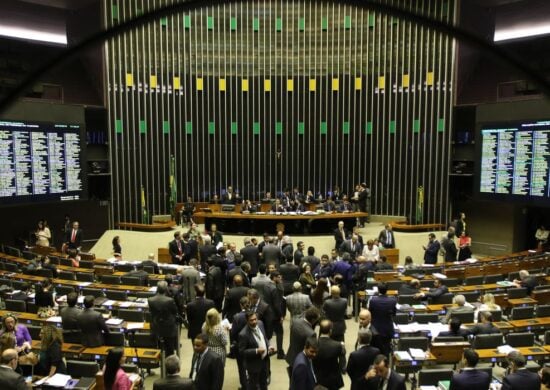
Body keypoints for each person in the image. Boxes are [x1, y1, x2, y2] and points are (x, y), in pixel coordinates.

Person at [238, 311, 273, 390]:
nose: (254, 321)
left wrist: (269, 346)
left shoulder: (260, 324)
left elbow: (264, 337)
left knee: (264, 384)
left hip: (264, 361)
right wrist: (256, 351)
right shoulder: (243, 334)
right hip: (254, 365)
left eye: (255, 319)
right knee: (253, 386)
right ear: (247, 321)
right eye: (251, 320)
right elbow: (242, 352)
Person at [148, 281, 179, 356]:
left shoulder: (150, 300)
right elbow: (175, 312)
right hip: (169, 328)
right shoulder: (170, 300)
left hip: (156, 327)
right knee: (169, 350)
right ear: (166, 289)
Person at [286, 307, 321, 373]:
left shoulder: (295, 321)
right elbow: (312, 351)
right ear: (313, 320)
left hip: (291, 356)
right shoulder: (311, 333)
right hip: (302, 362)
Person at [313, 320, 346, 390]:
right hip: (332, 381)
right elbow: (342, 357)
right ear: (330, 330)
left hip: (318, 378)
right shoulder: (337, 345)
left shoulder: (313, 344)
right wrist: (342, 346)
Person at [368, 282, 396, 356]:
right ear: (387, 290)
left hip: (375, 328)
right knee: (386, 349)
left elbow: (370, 313)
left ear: (378, 289)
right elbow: (394, 314)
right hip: (387, 329)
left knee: (374, 349)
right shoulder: (393, 300)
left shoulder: (373, 300)